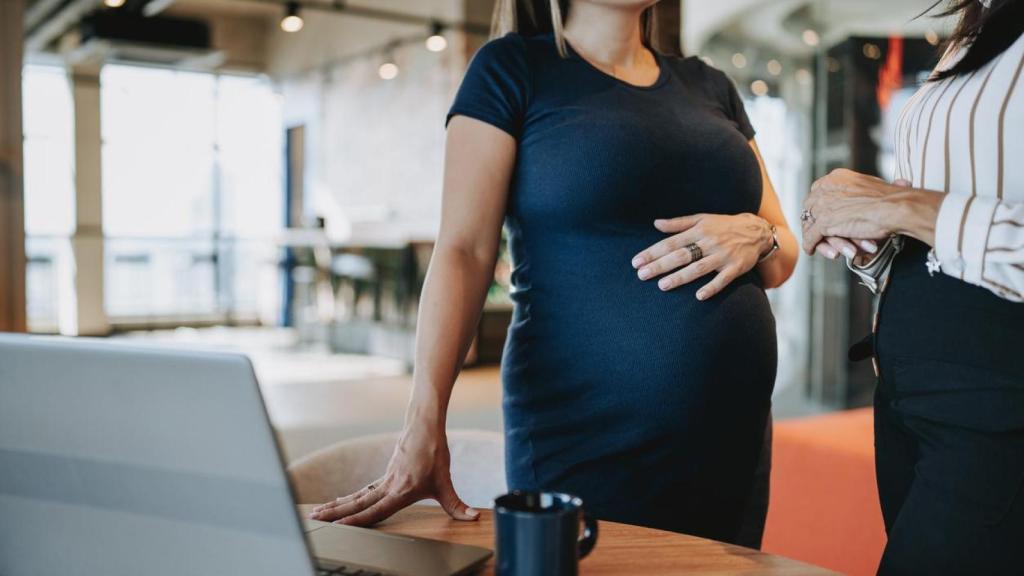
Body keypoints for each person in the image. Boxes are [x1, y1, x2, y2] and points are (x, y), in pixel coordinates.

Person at [311, 0, 797, 547]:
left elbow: (782, 255)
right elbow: (464, 251)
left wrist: (759, 235)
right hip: (585, 429)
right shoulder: (512, 69)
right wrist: (424, 423)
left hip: (732, 436)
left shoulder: (710, 86)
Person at [801, 0, 1024, 572]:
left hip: (996, 396)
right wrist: (872, 241)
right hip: (911, 391)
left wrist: (895, 204)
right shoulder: (977, 26)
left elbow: (929, 209)